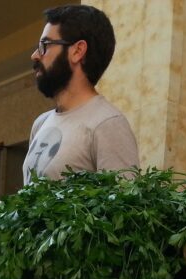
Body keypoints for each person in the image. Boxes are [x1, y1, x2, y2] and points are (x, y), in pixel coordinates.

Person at [23, 5, 139, 184]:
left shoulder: (108, 124)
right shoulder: (41, 124)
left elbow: (124, 198)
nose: (35, 55)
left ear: (77, 51)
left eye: (44, 45)